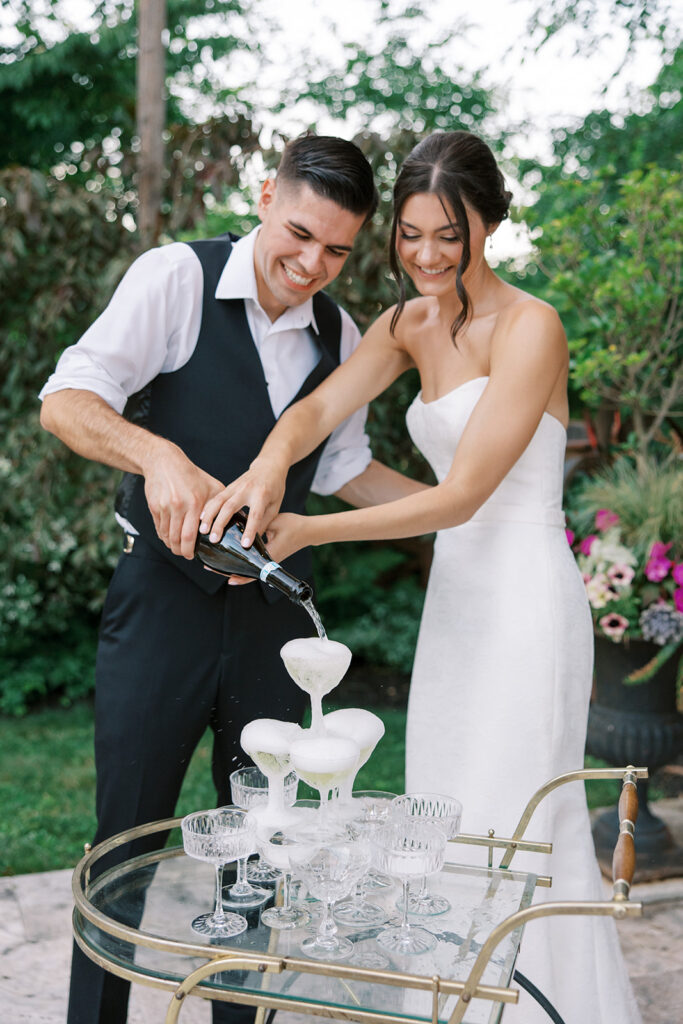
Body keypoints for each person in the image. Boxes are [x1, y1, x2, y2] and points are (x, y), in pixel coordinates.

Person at [200, 131, 643, 1024]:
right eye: (409, 234)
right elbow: (321, 406)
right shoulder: (404, 324)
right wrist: (272, 464)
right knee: (445, 807)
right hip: (459, 604)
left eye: (450, 234)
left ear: (489, 224)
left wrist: (309, 529)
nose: (427, 256)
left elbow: (464, 496)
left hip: (522, 597)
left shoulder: (531, 326)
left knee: (519, 819)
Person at [39, 134, 425, 1024]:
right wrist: (156, 454)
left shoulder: (345, 334)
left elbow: (342, 469)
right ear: (263, 196)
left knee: (260, 848)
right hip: (161, 606)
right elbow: (67, 399)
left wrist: (465, 507)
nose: (311, 264)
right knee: (124, 845)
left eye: (337, 250)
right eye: (299, 234)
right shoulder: (173, 278)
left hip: (275, 631)